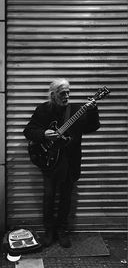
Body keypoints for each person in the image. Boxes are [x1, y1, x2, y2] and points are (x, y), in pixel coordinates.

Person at [23, 78, 100, 248]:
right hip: (49, 160)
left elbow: (93, 127)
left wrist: (93, 111)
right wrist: (44, 134)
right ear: (53, 95)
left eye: (68, 92)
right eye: (62, 93)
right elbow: (28, 131)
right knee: (49, 196)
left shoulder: (77, 110)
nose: (66, 96)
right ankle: (49, 230)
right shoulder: (43, 110)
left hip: (70, 161)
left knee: (66, 197)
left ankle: (62, 230)